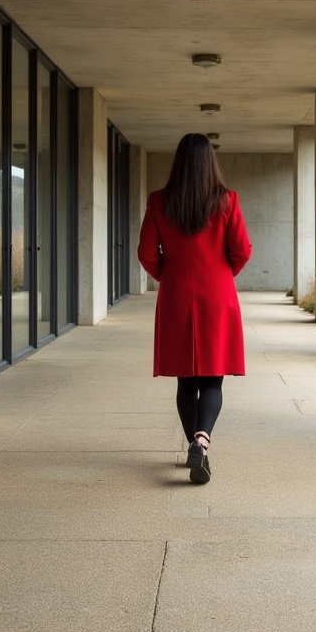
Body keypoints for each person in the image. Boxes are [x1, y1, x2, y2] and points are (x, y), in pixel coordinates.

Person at [137, 133, 252, 484]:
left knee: (186, 381)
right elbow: (242, 250)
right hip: (217, 297)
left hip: (175, 299)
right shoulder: (227, 200)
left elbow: (146, 253)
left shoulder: (159, 201)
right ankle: (202, 441)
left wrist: (168, 276)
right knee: (213, 379)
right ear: (210, 163)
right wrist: (220, 275)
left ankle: (194, 445)